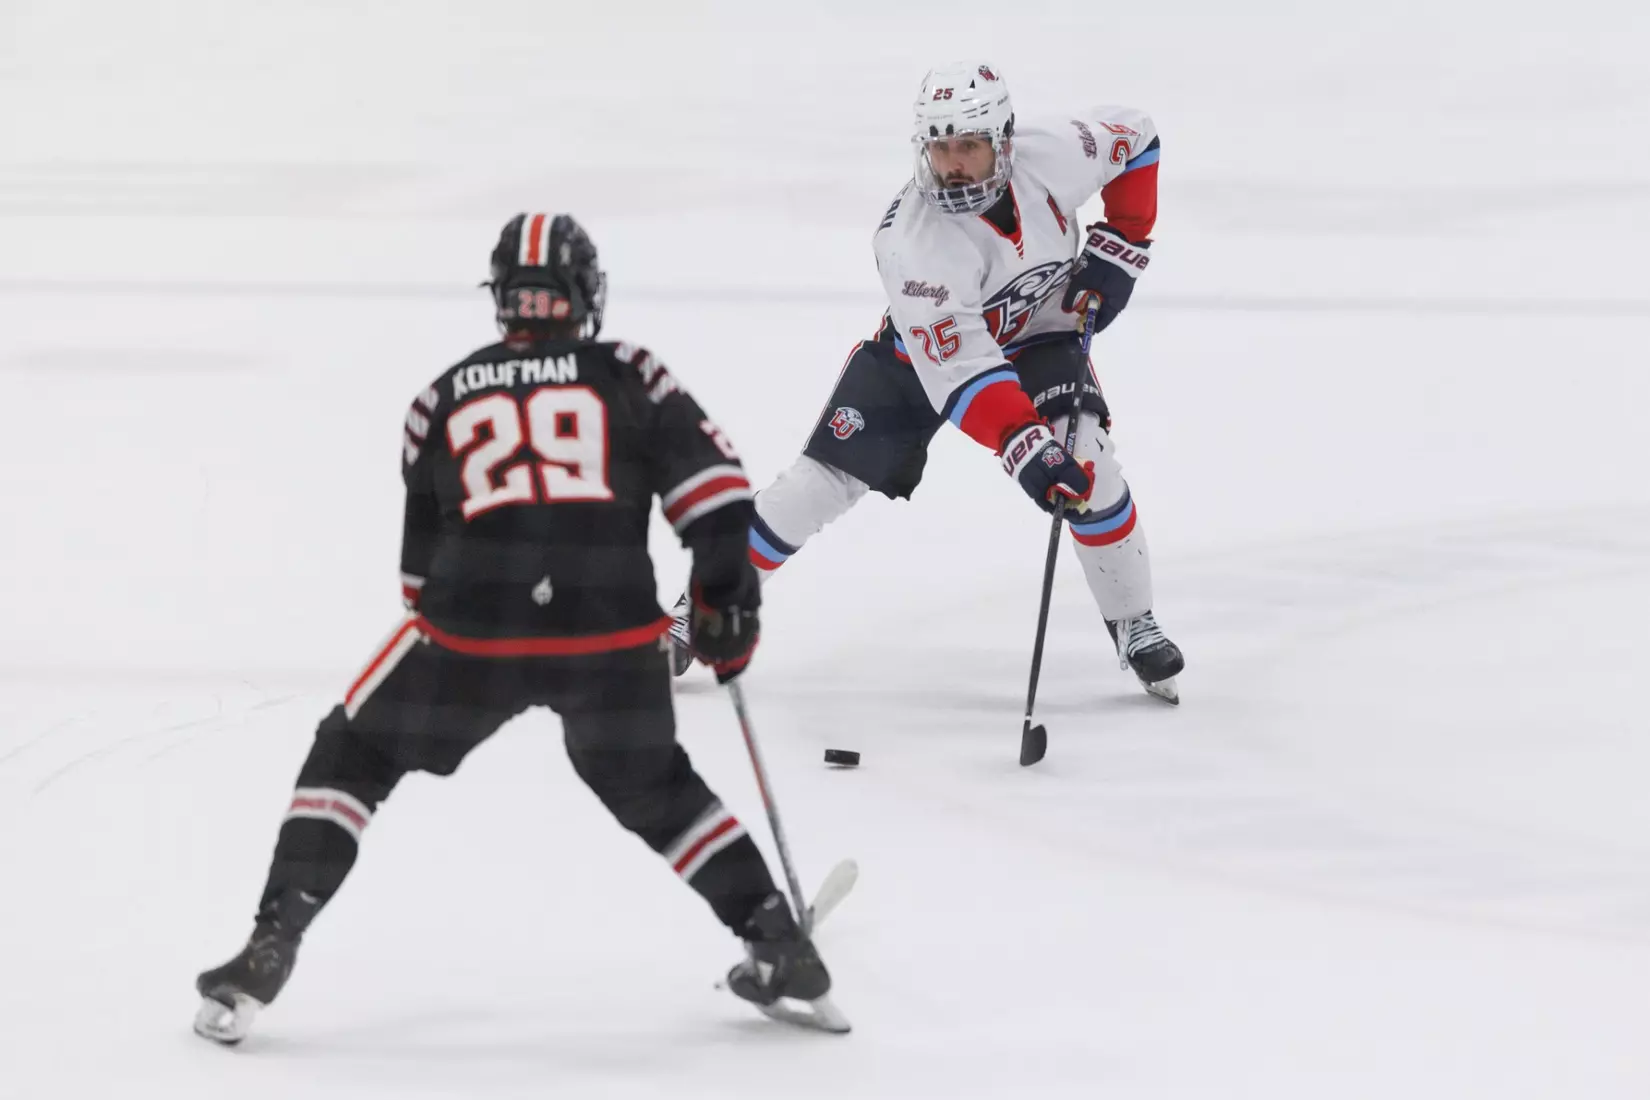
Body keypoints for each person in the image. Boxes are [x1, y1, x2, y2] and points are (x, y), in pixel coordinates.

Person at [193, 212, 834, 1045]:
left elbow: (417, 578)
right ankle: (774, 938)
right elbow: (714, 498)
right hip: (611, 633)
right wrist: (725, 604)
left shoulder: (441, 396)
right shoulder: (630, 374)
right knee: (654, 786)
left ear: (503, 296)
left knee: (352, 754)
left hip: (474, 633)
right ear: (584, 293)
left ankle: (271, 942)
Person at [670, 60, 1183, 702]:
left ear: (1004, 140)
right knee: (815, 487)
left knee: (1090, 463)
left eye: (968, 146)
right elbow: (965, 375)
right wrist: (1024, 444)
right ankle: (698, 608)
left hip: (1041, 334)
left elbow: (1137, 137)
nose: (952, 165)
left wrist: (1124, 241)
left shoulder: (1056, 152)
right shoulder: (910, 244)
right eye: (940, 148)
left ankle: (1133, 620)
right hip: (922, 359)